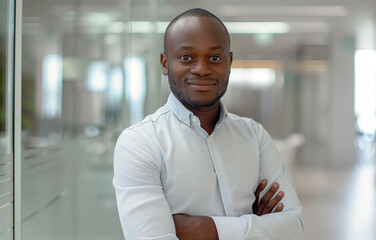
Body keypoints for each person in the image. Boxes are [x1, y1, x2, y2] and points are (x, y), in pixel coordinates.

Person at [113, 8, 304, 240]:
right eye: (186, 57)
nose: (202, 69)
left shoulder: (254, 136)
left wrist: (210, 229)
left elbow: (294, 228)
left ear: (229, 62)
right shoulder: (140, 142)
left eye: (215, 58)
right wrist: (256, 227)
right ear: (165, 63)